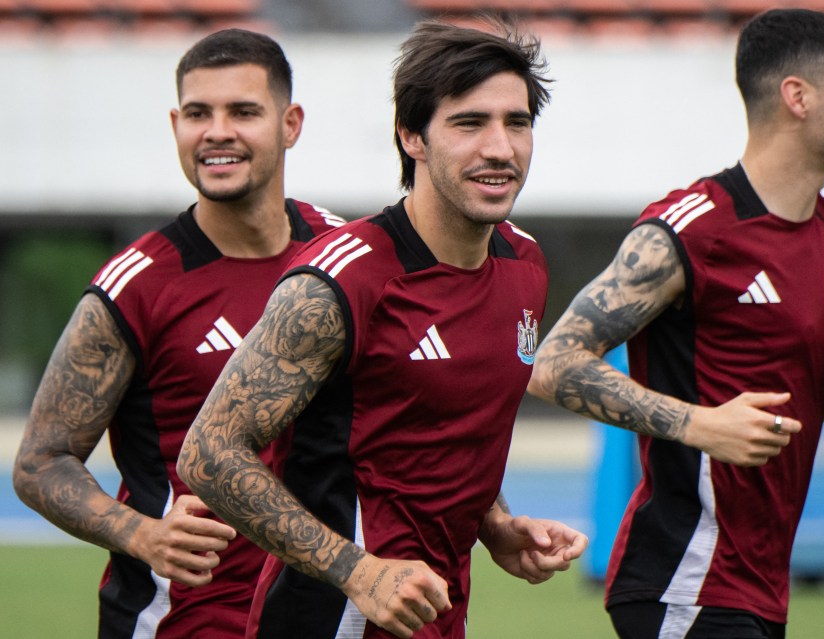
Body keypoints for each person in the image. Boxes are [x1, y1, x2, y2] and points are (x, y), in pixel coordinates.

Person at [177, 17, 588, 639]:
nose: (500, 148)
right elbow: (208, 453)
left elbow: (435, 435)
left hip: (440, 618)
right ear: (412, 137)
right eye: (469, 123)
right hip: (328, 620)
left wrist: (496, 524)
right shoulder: (341, 281)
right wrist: (358, 572)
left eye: (518, 122)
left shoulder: (524, 264)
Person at [528, 8, 824, 639]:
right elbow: (553, 364)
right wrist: (702, 425)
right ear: (798, 97)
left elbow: (770, 413)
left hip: (758, 586)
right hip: (685, 578)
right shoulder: (691, 230)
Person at [12, 29, 346, 638]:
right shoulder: (136, 287)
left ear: (290, 123)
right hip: (182, 623)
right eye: (198, 113)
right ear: (176, 125)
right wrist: (138, 532)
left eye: (243, 111)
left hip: (325, 616)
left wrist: (493, 518)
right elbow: (41, 462)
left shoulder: (344, 258)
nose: (217, 131)